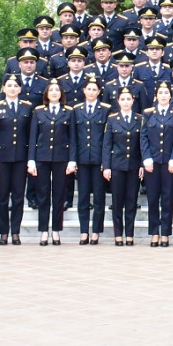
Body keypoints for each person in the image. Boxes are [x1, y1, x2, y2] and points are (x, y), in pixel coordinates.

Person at [28, 78, 75, 245]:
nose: (54, 92)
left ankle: (55, 230)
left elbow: (73, 138)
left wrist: (72, 160)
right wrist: (31, 160)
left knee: (59, 196)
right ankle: (43, 231)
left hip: (62, 159)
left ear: (61, 93)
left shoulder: (68, 112)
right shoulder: (38, 112)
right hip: (42, 158)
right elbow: (33, 137)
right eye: (51, 90)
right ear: (46, 94)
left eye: (57, 90)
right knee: (43, 195)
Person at [0, 72, 34, 245]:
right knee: (2, 196)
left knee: (18, 197)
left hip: (21, 158)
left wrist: (30, 158)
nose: (12, 88)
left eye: (16, 86)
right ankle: (3, 232)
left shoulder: (27, 107)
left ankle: (15, 231)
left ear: (20, 88)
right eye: (9, 85)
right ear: (3, 88)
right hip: (2, 158)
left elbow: (31, 135)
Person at [140, 81, 173, 246]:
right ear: (156, 95)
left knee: (168, 198)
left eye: (166, 93)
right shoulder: (148, 114)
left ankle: (165, 233)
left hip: (169, 163)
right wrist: (146, 158)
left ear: (170, 96)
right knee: (152, 198)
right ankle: (154, 232)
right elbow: (143, 137)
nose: (163, 95)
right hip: (152, 162)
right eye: (161, 93)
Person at [102, 87, 144, 245]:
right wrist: (106, 166)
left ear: (133, 101)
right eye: (123, 99)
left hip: (134, 166)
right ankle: (118, 234)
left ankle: (130, 234)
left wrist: (141, 164)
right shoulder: (112, 119)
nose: (126, 102)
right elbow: (107, 144)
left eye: (128, 99)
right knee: (117, 201)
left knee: (131, 201)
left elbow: (142, 144)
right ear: (118, 101)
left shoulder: (140, 119)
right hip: (117, 165)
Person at [72, 77, 110, 244]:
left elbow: (108, 139)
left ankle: (95, 231)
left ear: (99, 92)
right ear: (84, 91)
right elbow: (73, 138)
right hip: (82, 159)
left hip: (98, 160)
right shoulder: (76, 110)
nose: (91, 92)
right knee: (83, 198)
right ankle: (83, 231)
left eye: (95, 90)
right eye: (89, 89)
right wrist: (72, 160)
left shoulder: (106, 110)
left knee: (99, 197)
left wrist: (106, 161)